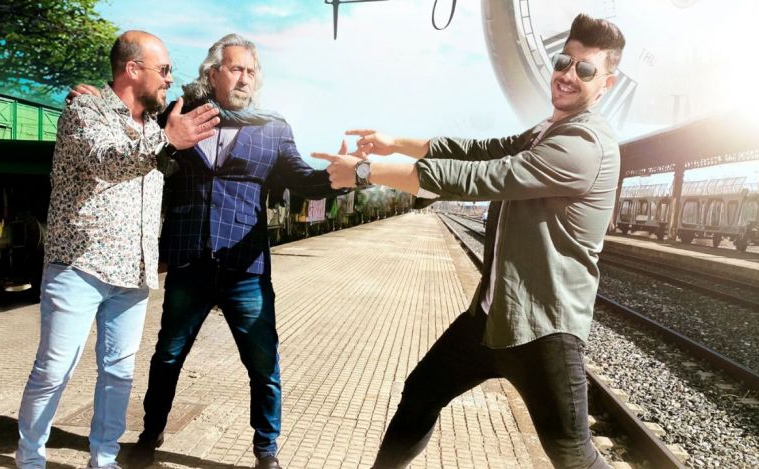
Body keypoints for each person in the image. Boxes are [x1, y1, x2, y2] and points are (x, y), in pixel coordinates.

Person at [313, 13, 625, 469]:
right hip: (492, 319)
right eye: (564, 61)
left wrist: (364, 172)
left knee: (572, 453)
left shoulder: (584, 144)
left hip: (543, 328)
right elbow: (481, 150)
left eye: (585, 69)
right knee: (421, 392)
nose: (567, 75)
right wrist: (394, 142)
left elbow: (484, 176)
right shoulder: (546, 131)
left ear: (606, 84)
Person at [119, 34, 346, 469]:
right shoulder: (179, 114)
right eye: (237, 69)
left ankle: (266, 450)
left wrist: (344, 175)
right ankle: (150, 434)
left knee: (263, 363)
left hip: (246, 268)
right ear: (213, 73)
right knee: (167, 355)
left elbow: (304, 180)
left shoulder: (272, 128)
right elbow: (137, 129)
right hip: (190, 262)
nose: (245, 78)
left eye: (251, 71)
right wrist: (93, 97)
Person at [15, 30, 219, 469]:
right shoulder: (84, 108)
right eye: (163, 70)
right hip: (79, 265)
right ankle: (30, 458)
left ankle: (103, 459)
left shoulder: (154, 123)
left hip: (134, 273)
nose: (169, 79)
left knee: (118, 376)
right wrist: (168, 139)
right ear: (132, 69)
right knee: (54, 372)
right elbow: (106, 159)